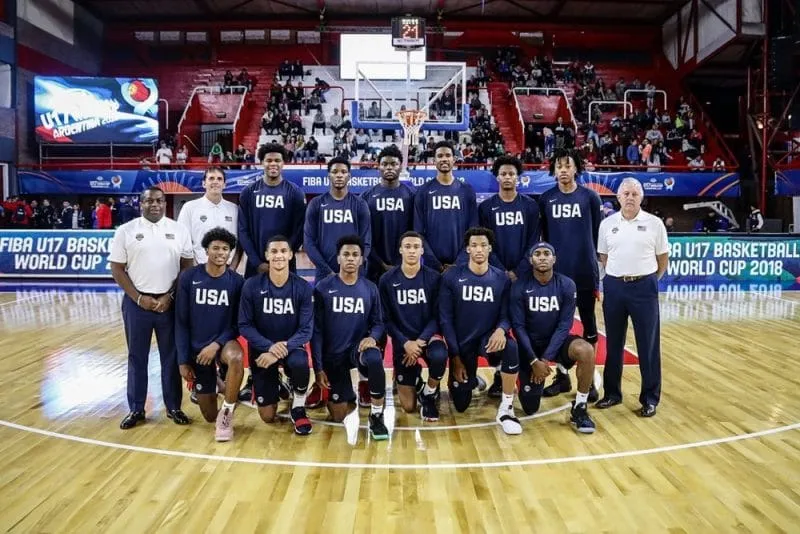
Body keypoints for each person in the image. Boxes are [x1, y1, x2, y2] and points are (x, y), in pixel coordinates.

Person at [109, 187, 194, 429]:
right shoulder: (126, 231)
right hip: (137, 304)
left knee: (171, 357)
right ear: (141, 204)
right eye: (149, 201)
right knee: (137, 357)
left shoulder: (179, 230)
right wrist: (138, 298)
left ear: (165, 203)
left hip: (169, 304)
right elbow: (117, 269)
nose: (154, 204)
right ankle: (137, 409)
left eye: (159, 200)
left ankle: (174, 407)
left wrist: (170, 295)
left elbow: (187, 266)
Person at [596, 178, 669, 418]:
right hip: (615, 286)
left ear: (641, 198)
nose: (629, 197)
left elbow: (662, 259)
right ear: (618, 197)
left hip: (644, 287)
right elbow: (604, 256)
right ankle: (612, 394)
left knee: (648, 345)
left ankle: (650, 398)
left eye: (634, 194)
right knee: (613, 343)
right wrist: (620, 275)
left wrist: (646, 279)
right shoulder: (607, 224)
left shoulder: (655, 224)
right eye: (625, 193)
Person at [439, 227, 521, 435]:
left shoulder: (501, 278)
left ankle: (506, 408)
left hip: (488, 340)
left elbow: (506, 314)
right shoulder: (451, 277)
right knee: (460, 404)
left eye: (483, 245)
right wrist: (455, 357)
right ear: (467, 249)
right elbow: (446, 319)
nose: (479, 249)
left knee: (511, 347)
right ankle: (472, 378)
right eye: (474, 245)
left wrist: (501, 330)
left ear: (490, 248)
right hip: (462, 344)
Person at [509, 242, 596, 433]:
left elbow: (564, 325)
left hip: (555, 345)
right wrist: (534, 360)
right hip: (530, 348)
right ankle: (516, 380)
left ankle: (580, 407)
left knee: (586, 350)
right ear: (531, 260)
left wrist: (546, 359)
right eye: (537, 254)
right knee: (530, 407)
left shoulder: (567, 285)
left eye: (547, 253)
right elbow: (518, 327)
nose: (542, 257)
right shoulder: (519, 286)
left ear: (554, 259)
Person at [538, 148, 601, 402]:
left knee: (589, 326)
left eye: (568, 166)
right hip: (557, 276)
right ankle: (561, 376)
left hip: (584, 273)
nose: (563, 170)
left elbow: (597, 236)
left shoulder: (590, 197)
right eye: (559, 166)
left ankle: (589, 381)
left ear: (576, 169)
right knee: (556, 327)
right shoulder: (546, 199)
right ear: (554, 170)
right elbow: (544, 239)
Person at [312, 235, 389, 440]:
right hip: (333, 356)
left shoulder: (370, 288)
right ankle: (347, 394)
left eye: (355, 255)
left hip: (357, 350)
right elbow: (316, 331)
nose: (350, 258)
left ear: (361, 260)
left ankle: (377, 415)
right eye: (346, 254)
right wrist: (318, 368)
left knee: (374, 357)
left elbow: (379, 323)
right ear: (338, 258)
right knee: (339, 415)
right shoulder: (323, 288)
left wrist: (373, 337)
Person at [238, 235, 314, 436]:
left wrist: (280, 350)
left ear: (290, 255)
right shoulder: (251, 286)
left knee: (300, 362)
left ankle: (298, 407)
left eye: (283, 251)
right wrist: (269, 347)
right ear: (266, 255)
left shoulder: (302, 287)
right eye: (274, 251)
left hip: (292, 347)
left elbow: (306, 330)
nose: (278, 255)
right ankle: (276, 382)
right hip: (262, 350)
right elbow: (244, 325)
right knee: (267, 416)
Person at [478, 155, 540, 398]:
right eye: (503, 173)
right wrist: (500, 270)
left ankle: (526, 370)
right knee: (496, 325)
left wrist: (518, 270)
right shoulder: (486, 208)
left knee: (525, 325)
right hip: (495, 276)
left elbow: (534, 241)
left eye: (511, 174)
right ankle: (498, 374)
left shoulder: (530, 207)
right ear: (497, 177)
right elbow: (484, 242)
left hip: (524, 277)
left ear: (518, 178)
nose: (507, 177)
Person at [175, 228, 245, 441]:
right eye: (215, 248)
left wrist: (216, 344)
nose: (220, 252)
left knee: (237, 357)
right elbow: (181, 322)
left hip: (223, 343)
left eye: (225, 248)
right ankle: (219, 384)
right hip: (198, 350)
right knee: (208, 416)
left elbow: (239, 324)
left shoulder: (237, 282)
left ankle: (227, 413)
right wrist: (183, 361)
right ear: (206, 250)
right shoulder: (189, 277)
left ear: (230, 252)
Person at [379, 231, 446, 421]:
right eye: (407, 247)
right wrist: (405, 343)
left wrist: (419, 341)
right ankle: (416, 378)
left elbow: (437, 316)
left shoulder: (434, 278)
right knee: (408, 407)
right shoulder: (387, 280)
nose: (412, 251)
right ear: (400, 250)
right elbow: (386, 320)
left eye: (416, 247)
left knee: (439, 355)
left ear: (422, 251)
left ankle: (429, 393)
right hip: (404, 343)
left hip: (427, 338)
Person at [238, 143, 307, 278]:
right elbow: (243, 230)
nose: (273, 164)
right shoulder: (248, 192)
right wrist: (257, 263)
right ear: (262, 163)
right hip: (255, 266)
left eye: (277, 160)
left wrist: (283, 256)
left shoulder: (295, 193)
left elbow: (299, 231)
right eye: (269, 160)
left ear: (283, 163)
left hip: (285, 263)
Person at [414, 140, 478, 273]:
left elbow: (473, 231)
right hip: (432, 267)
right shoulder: (423, 191)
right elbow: (418, 232)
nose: (444, 159)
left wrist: (459, 262)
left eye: (448, 155)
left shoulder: (467, 191)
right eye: (440, 156)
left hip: (461, 265)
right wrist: (435, 264)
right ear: (434, 160)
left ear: (454, 159)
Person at [304, 157, 371, 281]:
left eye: (343, 172)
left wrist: (354, 265)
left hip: (354, 272)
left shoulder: (360, 204)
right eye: (335, 172)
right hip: (324, 273)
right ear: (329, 176)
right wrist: (326, 270)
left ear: (349, 176)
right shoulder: (316, 204)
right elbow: (309, 242)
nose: (339, 175)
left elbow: (366, 242)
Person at [361, 145, 415, 284]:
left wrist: (402, 261)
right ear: (378, 167)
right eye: (384, 164)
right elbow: (363, 235)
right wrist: (380, 263)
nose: (389, 168)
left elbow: (416, 232)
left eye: (394, 164)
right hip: (374, 267)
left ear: (401, 167)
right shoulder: (366, 197)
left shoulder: (412, 196)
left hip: (405, 265)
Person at [178, 167, 240, 266]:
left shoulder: (234, 209)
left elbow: (240, 242)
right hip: (199, 266)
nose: (215, 182)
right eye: (211, 178)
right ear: (204, 183)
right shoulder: (189, 207)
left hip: (227, 268)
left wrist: (232, 268)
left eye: (219, 179)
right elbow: (182, 240)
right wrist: (194, 267)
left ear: (224, 184)